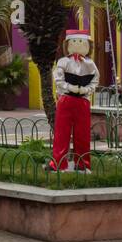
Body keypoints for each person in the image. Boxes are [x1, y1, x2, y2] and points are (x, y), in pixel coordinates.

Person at [47, 29, 98, 172]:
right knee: (61, 133)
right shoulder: (63, 62)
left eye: (82, 42)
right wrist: (70, 87)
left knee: (83, 134)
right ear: (68, 44)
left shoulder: (90, 64)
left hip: (83, 101)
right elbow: (58, 79)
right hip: (66, 100)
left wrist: (85, 90)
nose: (78, 44)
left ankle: (82, 164)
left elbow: (95, 80)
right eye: (75, 41)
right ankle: (58, 163)